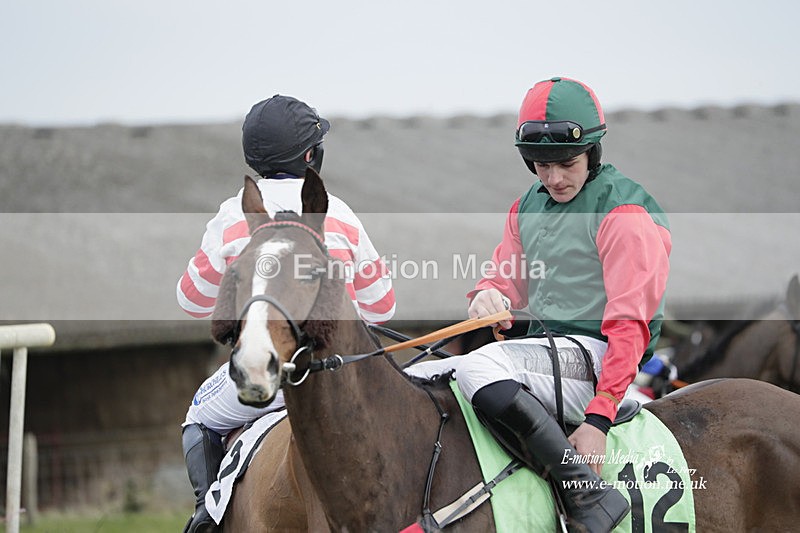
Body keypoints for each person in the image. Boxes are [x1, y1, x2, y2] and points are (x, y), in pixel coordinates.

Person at [407, 77, 671, 532]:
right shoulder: (526, 205)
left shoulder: (624, 214)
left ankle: (585, 494)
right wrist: (488, 294)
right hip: (548, 354)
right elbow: (505, 278)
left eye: (566, 163)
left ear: (593, 151)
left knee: (478, 367)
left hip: (600, 358)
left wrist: (598, 420)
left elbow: (631, 325)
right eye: (540, 165)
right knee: (414, 375)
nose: (553, 178)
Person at [177, 94, 396, 533]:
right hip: (346, 376)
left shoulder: (230, 215)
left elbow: (192, 299)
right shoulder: (343, 214)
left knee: (198, 415)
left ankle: (208, 512)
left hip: (271, 373)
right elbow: (382, 305)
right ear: (311, 154)